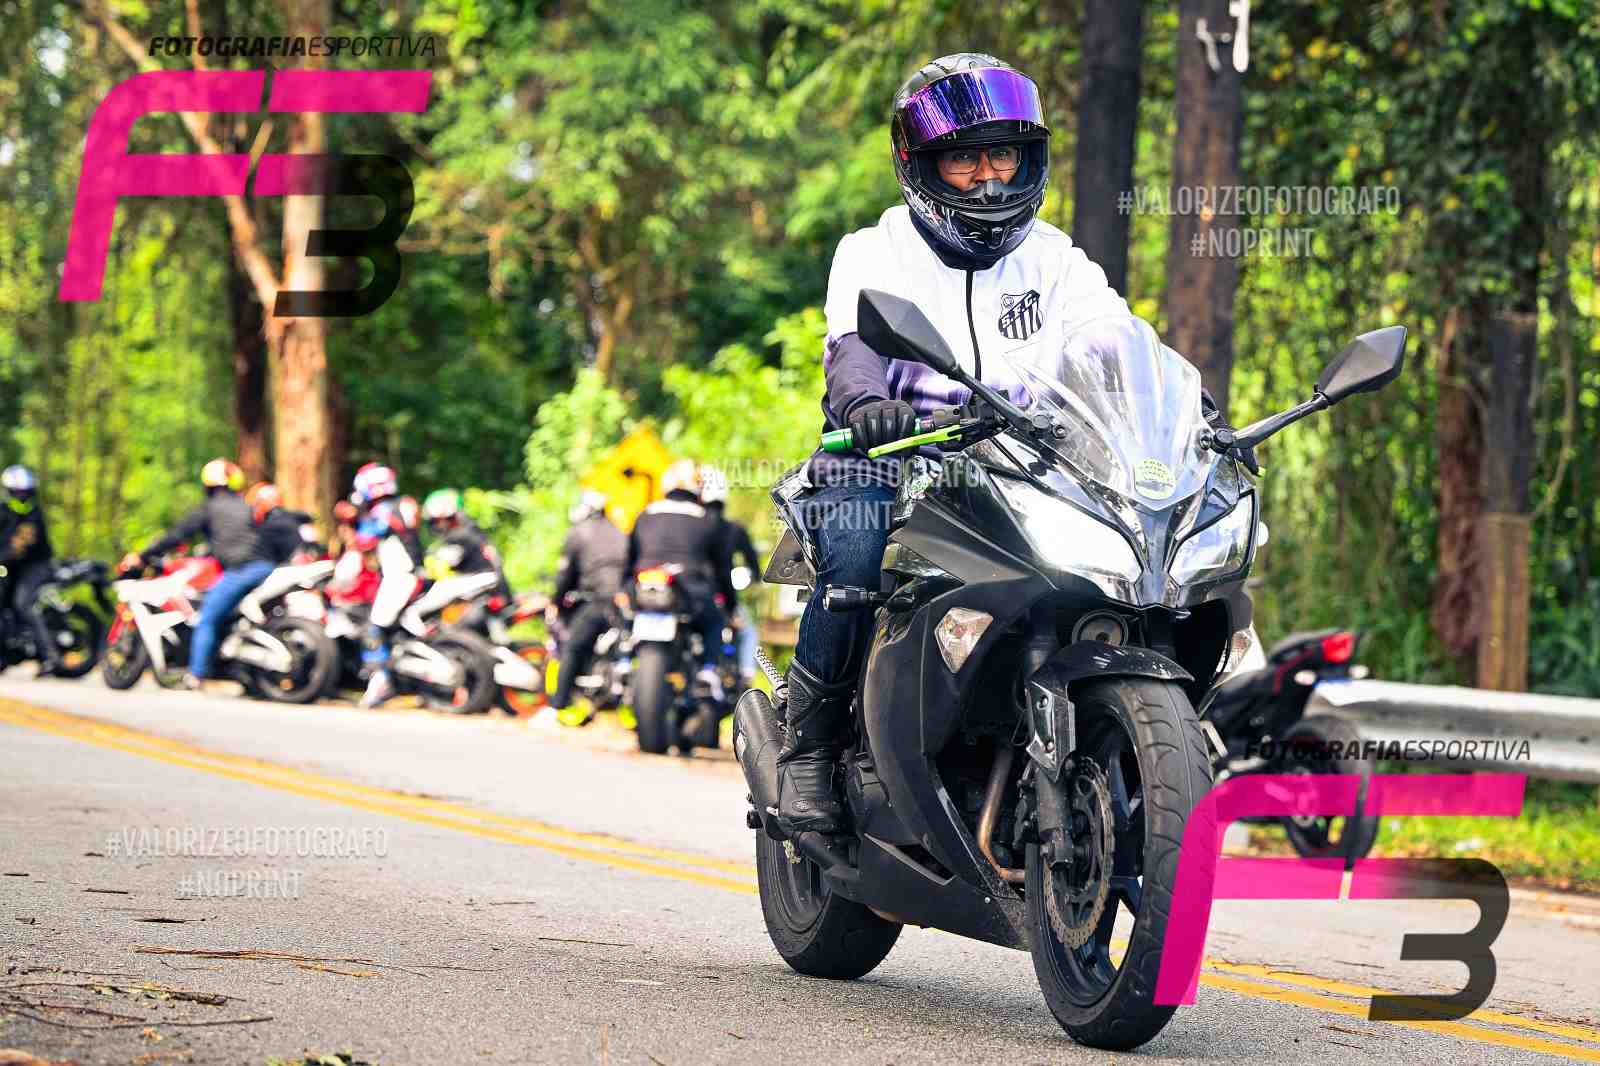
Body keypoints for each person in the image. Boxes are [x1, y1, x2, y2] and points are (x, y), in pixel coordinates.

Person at [773, 52, 1158, 835]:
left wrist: (1177, 402)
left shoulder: (1055, 259)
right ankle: (809, 748)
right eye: (963, 160)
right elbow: (852, 352)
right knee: (854, 561)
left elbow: (1116, 339)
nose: (987, 179)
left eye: (1003, 154)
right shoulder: (873, 249)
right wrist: (870, 406)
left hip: (1027, 463)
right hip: (888, 454)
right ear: (919, 167)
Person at [120, 459, 272, 689]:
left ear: (208, 483)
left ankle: (196, 674)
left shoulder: (209, 508)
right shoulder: (246, 507)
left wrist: (143, 556)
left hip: (242, 570)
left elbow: (177, 535)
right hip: (267, 567)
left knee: (206, 618)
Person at [622, 461, 735, 701]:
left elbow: (628, 559)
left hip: (643, 591)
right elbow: (722, 568)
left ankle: (622, 660)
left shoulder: (645, 514)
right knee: (715, 622)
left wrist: (624, 588)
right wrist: (730, 604)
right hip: (690, 593)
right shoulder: (707, 519)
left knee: (623, 622)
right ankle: (708, 670)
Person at [547, 489, 629, 715]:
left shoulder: (578, 533)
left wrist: (555, 602)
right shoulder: (620, 532)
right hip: (622, 602)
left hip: (596, 601)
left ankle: (558, 704)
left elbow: (565, 575)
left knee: (572, 648)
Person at [348, 462, 424, 708]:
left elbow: (364, 540)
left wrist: (352, 521)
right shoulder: (402, 504)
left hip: (400, 577)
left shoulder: (382, 511)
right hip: (412, 573)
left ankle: (380, 680)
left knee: (374, 627)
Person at [700, 465, 761, 686]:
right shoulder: (733, 529)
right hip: (721, 596)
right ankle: (746, 675)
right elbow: (752, 563)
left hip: (689, 595)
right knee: (748, 632)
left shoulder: (689, 525)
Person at [0, 465, 60, 676]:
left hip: (35, 566)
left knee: (22, 604)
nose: (22, 496)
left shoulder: (33, 514)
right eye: (17, 492)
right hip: (11, 567)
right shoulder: (3, 511)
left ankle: (49, 656)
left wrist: (3, 557)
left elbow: (21, 544)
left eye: (25, 492)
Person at [422, 489, 508, 594]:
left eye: (437, 520)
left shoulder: (462, 536)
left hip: (481, 584)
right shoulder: (470, 531)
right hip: (486, 584)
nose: (437, 525)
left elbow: (448, 561)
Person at [246, 482, 318, 565]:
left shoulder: (269, 525)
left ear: (266, 502)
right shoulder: (297, 519)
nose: (255, 506)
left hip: (285, 566)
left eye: (258, 503)